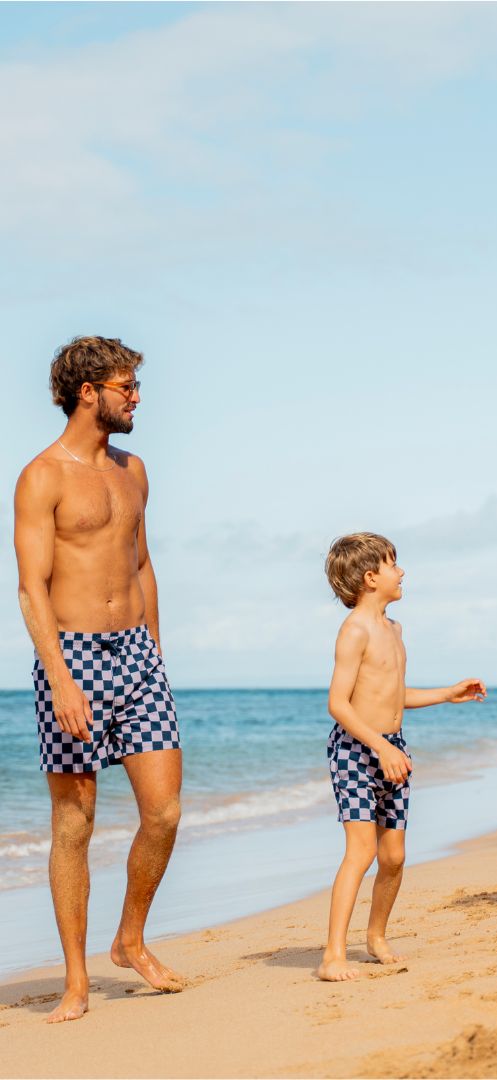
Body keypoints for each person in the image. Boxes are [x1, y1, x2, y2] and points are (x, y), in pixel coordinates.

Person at [13, 337, 184, 1024]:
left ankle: (129, 938)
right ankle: (76, 980)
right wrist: (59, 678)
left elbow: (141, 564)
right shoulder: (41, 476)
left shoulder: (133, 470)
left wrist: (156, 653)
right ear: (88, 392)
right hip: (74, 656)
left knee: (164, 813)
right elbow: (30, 586)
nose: (136, 397)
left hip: (137, 654)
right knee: (75, 820)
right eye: (126, 386)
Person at [318, 532, 486, 981]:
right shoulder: (355, 629)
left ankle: (375, 936)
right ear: (370, 578)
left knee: (393, 856)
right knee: (361, 851)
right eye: (393, 564)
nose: (402, 571)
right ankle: (333, 955)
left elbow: (393, 695)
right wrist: (380, 746)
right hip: (356, 750)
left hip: (392, 748)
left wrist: (447, 694)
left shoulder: (394, 629)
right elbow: (338, 704)